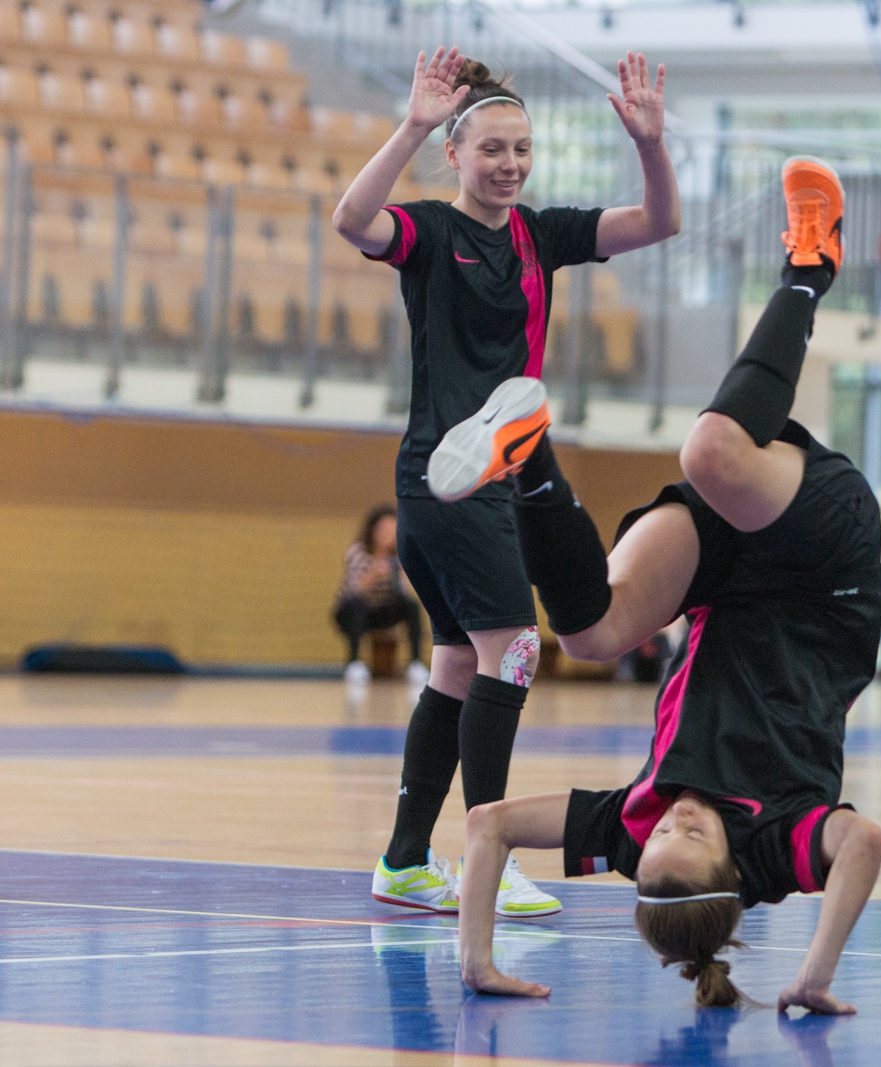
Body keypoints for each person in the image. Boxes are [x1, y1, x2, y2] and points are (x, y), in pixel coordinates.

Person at [455, 159, 881, 1013]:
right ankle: (811, 266)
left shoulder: (634, 829)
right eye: (693, 833)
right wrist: (815, 972)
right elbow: (864, 841)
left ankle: (530, 461)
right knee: (711, 454)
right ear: (734, 866)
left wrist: (476, 957)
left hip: (723, 583)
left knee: (584, 635)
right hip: (822, 572)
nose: (675, 817)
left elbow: (489, 825)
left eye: (660, 836)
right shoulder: (780, 844)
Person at [330, 47, 679, 918]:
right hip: (445, 484)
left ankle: (406, 862)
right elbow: (349, 220)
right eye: (492, 149)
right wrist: (409, 121)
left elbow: (658, 222)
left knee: (457, 662)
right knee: (514, 650)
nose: (510, 164)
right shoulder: (430, 234)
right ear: (455, 153)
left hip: (501, 483)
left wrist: (650, 143)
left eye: (521, 149)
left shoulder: (539, 236)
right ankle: (490, 858)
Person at [332, 503, 427, 687]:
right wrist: (374, 574)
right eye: (383, 530)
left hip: (384, 611)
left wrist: (399, 573)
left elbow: (403, 593)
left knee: (411, 606)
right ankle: (354, 663)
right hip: (354, 612)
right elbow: (354, 591)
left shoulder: (399, 556)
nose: (387, 535)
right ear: (373, 531)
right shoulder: (358, 552)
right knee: (357, 605)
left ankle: (416, 663)